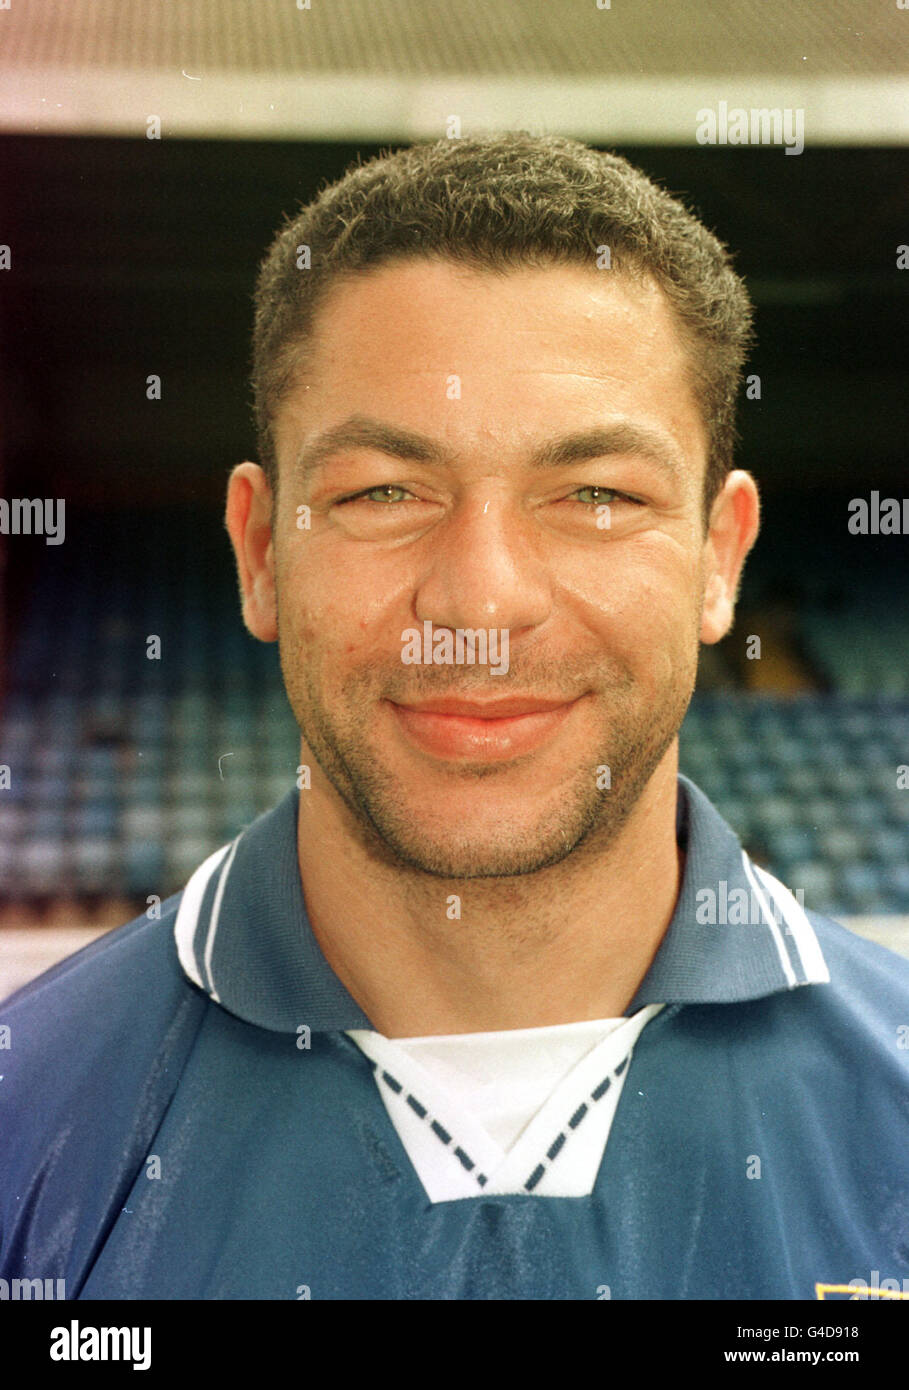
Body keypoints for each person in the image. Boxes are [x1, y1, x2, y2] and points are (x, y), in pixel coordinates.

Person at [2, 134, 907, 1301]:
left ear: (718, 558)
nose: (481, 602)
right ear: (262, 551)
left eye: (596, 495)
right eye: (384, 490)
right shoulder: (32, 1127)